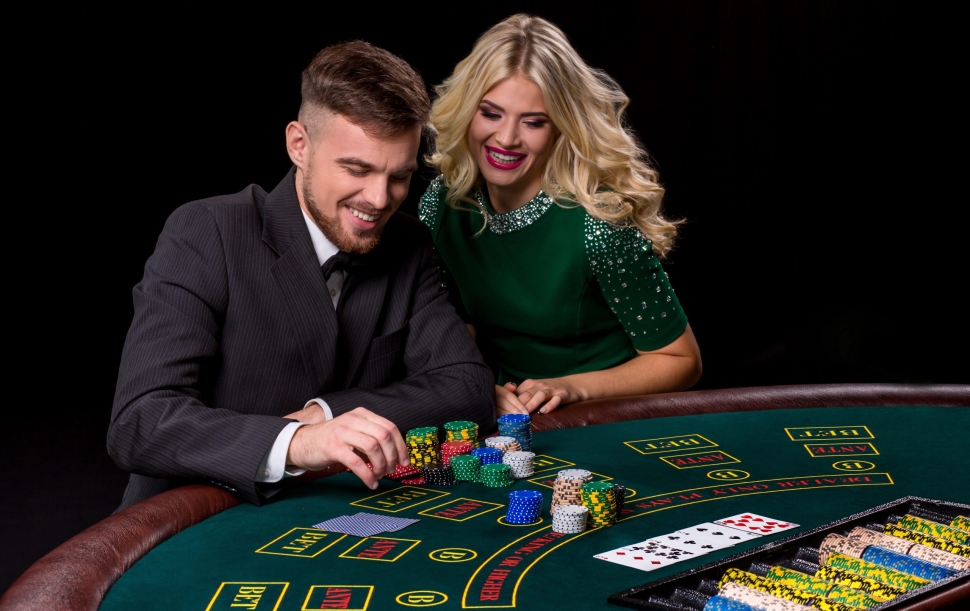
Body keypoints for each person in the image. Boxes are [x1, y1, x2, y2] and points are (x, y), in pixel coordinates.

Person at [108, 41, 495, 510]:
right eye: (357, 168)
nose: (379, 198)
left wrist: (327, 414)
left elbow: (467, 386)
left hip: (335, 514)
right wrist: (299, 441)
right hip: (195, 518)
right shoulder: (207, 232)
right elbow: (140, 421)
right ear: (299, 145)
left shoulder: (407, 242)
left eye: (399, 176)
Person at [420, 15, 702, 417]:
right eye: (491, 113)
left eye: (533, 122)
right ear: (467, 111)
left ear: (560, 129)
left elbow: (681, 361)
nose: (506, 138)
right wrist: (478, 385)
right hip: (506, 412)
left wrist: (572, 388)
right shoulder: (443, 205)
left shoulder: (598, 222)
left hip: (608, 417)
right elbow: (453, 326)